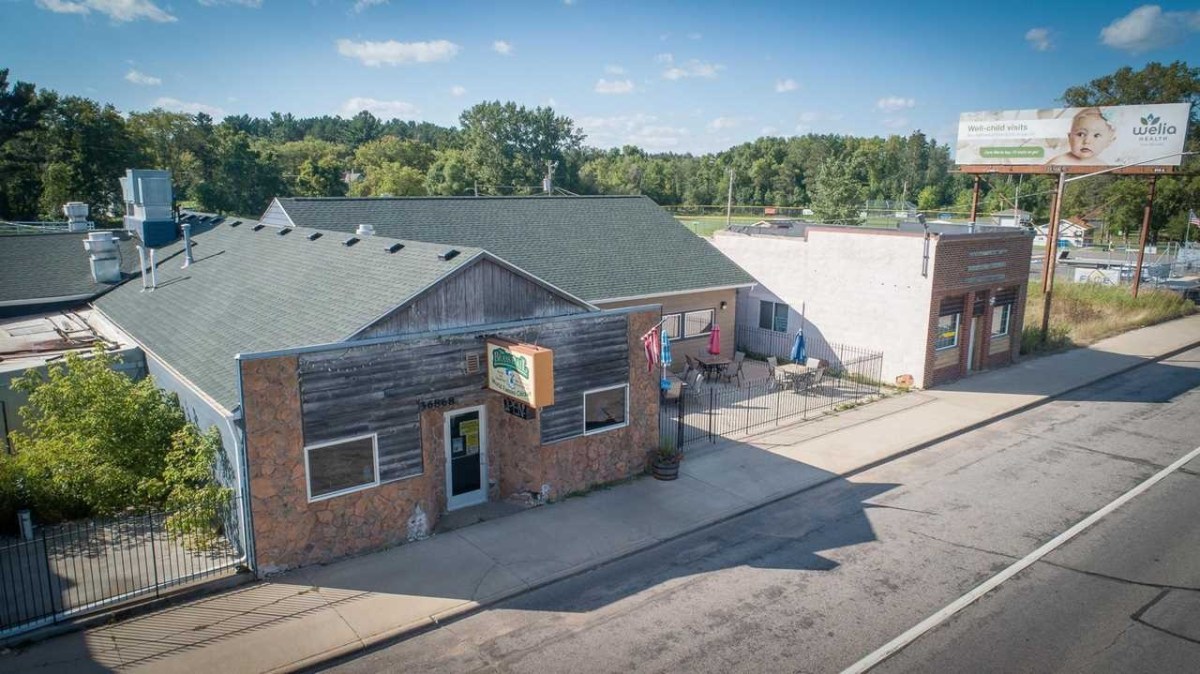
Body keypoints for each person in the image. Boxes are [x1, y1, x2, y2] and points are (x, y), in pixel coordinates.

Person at [1046, 108, 1116, 165]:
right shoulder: (1058, 162)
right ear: (1070, 137)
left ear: (1109, 142)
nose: (1087, 141)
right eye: (1081, 134)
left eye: (1096, 135)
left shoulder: (1103, 166)